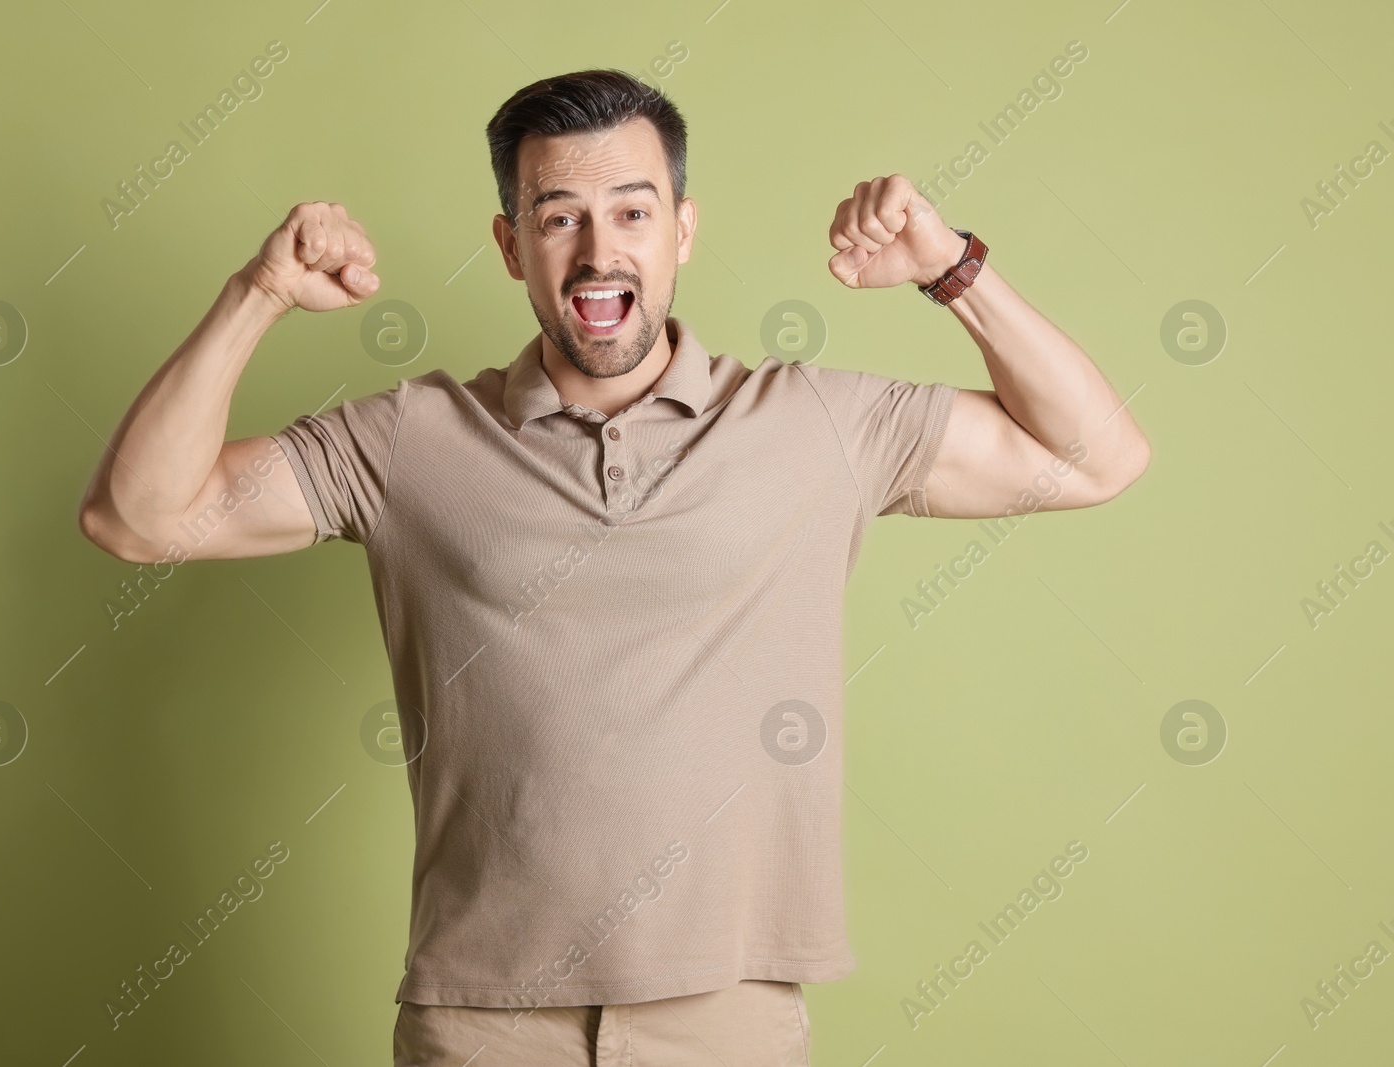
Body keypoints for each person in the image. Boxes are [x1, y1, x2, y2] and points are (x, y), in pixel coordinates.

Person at [78, 68, 1150, 1066]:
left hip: (727, 1013)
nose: (598, 252)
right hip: (481, 1019)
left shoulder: (813, 422)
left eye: (633, 211)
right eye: (559, 217)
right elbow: (136, 515)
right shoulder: (410, 441)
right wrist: (257, 292)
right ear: (510, 244)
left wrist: (954, 271)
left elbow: (1094, 455)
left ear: (682, 230)